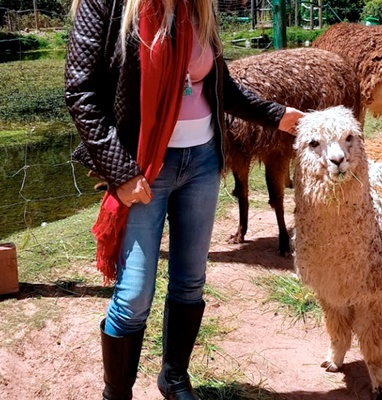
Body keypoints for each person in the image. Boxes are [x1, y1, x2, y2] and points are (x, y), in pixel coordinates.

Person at [64, 0, 304, 398]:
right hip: (143, 170)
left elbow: (220, 86)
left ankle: (174, 377)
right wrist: (121, 172)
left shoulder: (200, 7)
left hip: (203, 162)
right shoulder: (104, 4)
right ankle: (116, 393)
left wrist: (276, 114)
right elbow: (81, 92)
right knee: (135, 293)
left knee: (190, 282)